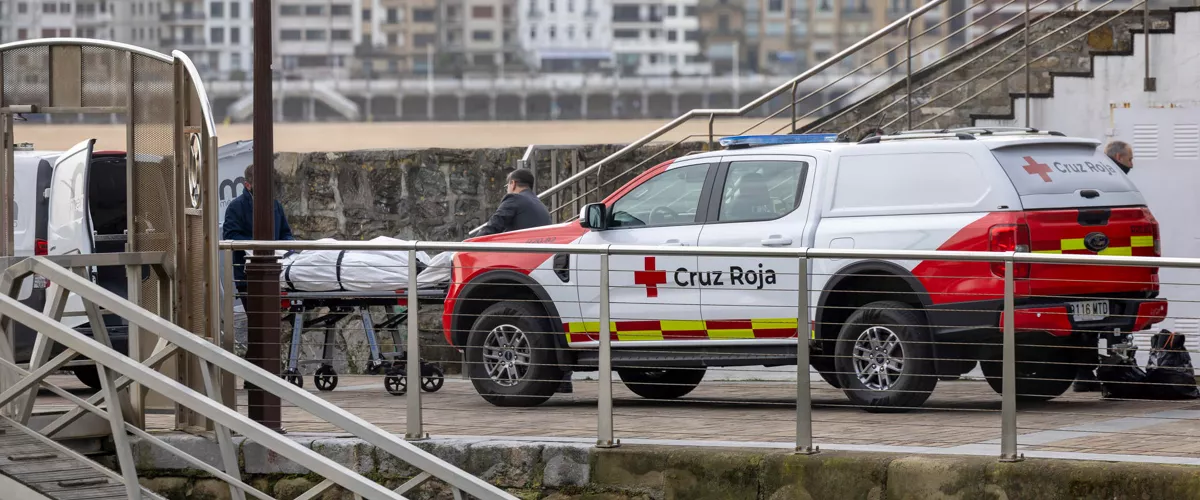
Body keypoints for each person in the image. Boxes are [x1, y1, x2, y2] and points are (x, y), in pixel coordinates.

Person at [476, 169, 574, 392]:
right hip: (541, 268)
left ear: (512, 183)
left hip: (521, 269)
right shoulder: (539, 205)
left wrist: (467, 245)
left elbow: (493, 227)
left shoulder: (514, 200)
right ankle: (562, 380)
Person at [222, 164, 294, 360]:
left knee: (267, 325)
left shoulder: (275, 205)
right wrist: (258, 245)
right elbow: (230, 236)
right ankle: (258, 370)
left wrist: (289, 247)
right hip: (248, 276)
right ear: (247, 185)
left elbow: (286, 233)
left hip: (276, 272)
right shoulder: (235, 207)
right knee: (259, 323)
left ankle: (254, 369)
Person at [476, 168, 552, 236]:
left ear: (513, 184)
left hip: (522, 248)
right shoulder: (541, 205)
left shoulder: (515, 198)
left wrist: (470, 245)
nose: (507, 190)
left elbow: (493, 225)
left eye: (507, 186)